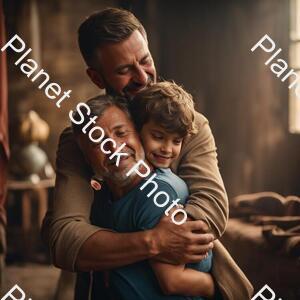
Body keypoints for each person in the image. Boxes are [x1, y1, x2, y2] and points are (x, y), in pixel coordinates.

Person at [41, 7, 253, 299]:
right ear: (96, 77)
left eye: (145, 61)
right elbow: (65, 240)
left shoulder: (189, 124)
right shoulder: (80, 137)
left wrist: (165, 238)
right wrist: (153, 241)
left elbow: (212, 207)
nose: (142, 77)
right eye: (124, 70)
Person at [75, 82, 217, 299]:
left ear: (136, 133)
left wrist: (215, 289)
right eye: (98, 141)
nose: (113, 147)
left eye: (121, 133)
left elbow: (172, 282)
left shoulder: (156, 195)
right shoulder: (104, 195)